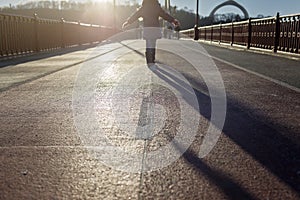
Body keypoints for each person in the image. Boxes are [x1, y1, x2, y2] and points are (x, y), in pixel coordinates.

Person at [122, 0, 180, 65]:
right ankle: (152, 58)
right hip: (154, 29)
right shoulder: (156, 7)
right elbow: (165, 15)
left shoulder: (144, 8)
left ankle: (149, 60)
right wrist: (173, 21)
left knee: (148, 44)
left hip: (147, 29)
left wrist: (128, 22)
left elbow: (135, 15)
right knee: (153, 44)